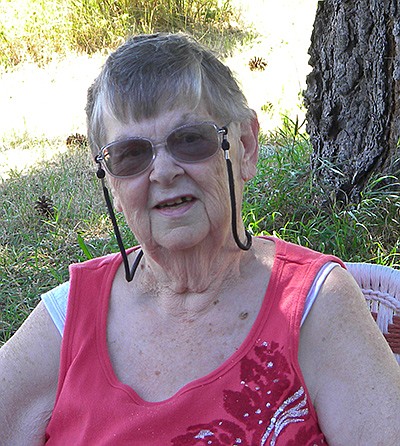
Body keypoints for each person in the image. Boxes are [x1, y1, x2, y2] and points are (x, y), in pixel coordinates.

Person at [1, 32, 399, 446]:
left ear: (245, 147)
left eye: (191, 140)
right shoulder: (68, 317)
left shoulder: (317, 304)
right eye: (131, 155)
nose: (163, 172)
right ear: (111, 182)